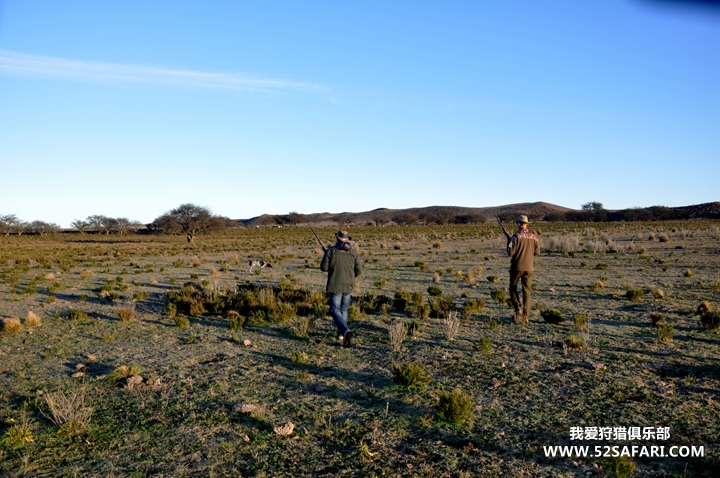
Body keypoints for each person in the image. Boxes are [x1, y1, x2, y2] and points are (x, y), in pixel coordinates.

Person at [320, 230, 362, 347]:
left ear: (337, 239)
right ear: (348, 240)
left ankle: (345, 331)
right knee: (344, 309)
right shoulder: (353, 253)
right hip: (349, 285)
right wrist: (350, 277)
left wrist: (327, 257)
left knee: (334, 310)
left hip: (335, 285)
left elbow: (324, 268)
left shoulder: (331, 251)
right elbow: (359, 270)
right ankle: (341, 334)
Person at [507, 215, 540, 324]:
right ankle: (525, 316)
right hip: (529, 268)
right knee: (527, 292)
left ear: (520, 224)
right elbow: (537, 252)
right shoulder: (534, 237)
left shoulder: (515, 237)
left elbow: (510, 252)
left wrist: (509, 242)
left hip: (517, 267)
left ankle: (518, 309)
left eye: (518, 223)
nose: (517, 224)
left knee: (512, 288)